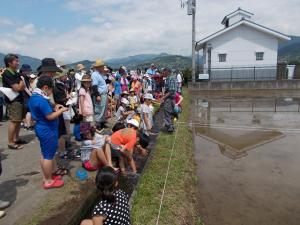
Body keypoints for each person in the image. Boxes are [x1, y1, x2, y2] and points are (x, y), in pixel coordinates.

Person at [28, 75, 68, 189]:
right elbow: (50, 117)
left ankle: (47, 176)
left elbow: (46, 112)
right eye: (50, 89)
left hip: (42, 128)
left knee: (45, 154)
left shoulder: (34, 96)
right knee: (48, 156)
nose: (51, 92)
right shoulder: (41, 99)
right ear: (45, 87)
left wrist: (55, 108)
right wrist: (62, 110)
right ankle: (48, 181)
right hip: (47, 130)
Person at [2, 54, 26, 150]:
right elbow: (18, 88)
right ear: (9, 63)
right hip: (13, 100)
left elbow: (22, 86)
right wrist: (21, 83)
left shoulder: (15, 73)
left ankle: (16, 138)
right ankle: (10, 142)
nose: (18, 62)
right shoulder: (7, 73)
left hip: (19, 99)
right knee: (14, 121)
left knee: (18, 120)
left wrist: (20, 84)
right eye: (16, 61)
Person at [91, 59, 108, 129]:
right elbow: (94, 86)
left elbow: (106, 80)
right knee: (99, 109)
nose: (103, 67)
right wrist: (97, 95)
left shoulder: (100, 74)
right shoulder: (94, 74)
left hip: (104, 94)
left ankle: (102, 122)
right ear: (98, 67)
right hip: (100, 94)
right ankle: (98, 124)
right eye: (102, 66)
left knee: (103, 109)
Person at [162, 67, 177, 133]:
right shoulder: (169, 78)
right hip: (170, 98)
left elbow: (171, 91)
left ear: (167, 71)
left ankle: (169, 127)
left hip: (169, 98)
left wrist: (163, 97)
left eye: (163, 71)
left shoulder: (171, 78)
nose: (162, 73)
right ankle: (170, 126)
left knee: (167, 112)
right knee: (170, 112)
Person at [19, 64, 34, 130]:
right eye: (27, 70)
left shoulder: (26, 77)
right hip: (24, 95)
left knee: (26, 110)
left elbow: (29, 86)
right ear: (23, 70)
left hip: (27, 95)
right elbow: (24, 87)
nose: (28, 72)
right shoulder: (21, 77)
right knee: (28, 110)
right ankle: (28, 125)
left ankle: (26, 124)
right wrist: (31, 95)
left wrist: (31, 92)